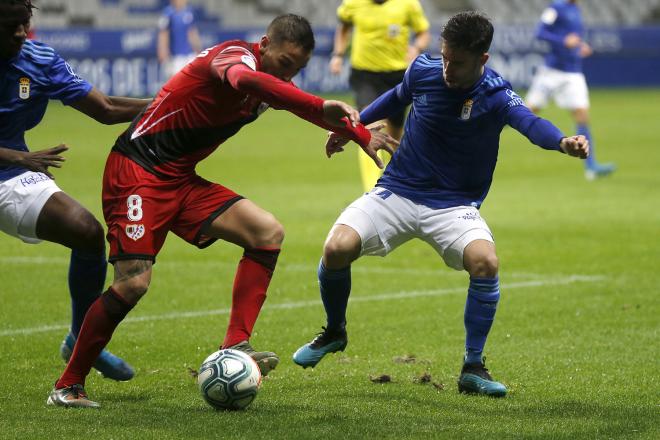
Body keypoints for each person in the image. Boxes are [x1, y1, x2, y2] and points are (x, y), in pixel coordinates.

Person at [47, 14, 398, 409]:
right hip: (137, 171)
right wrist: (319, 102)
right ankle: (68, 385)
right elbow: (250, 83)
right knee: (133, 284)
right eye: (285, 64)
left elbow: (303, 108)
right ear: (264, 44)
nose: (288, 75)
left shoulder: (272, 83)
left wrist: (361, 133)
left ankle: (236, 344)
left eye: (297, 70)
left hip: (178, 177)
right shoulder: (233, 56)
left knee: (266, 232)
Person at [293, 11, 590, 398]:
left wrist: (563, 141)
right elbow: (397, 96)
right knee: (336, 247)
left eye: (458, 62)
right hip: (398, 190)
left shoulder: (497, 94)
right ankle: (334, 332)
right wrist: (353, 128)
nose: (448, 68)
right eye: (445, 57)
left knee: (486, 262)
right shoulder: (424, 70)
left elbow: (531, 124)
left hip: (452, 205)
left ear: (482, 60)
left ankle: (473, 366)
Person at [0, 0, 151, 381]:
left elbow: (105, 107)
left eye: (25, 23)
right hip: (17, 162)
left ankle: (83, 339)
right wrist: (19, 157)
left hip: (9, 174)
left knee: (86, 231)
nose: (20, 32)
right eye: (10, 25)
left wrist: (173, 104)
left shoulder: (38, 60)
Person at [330, 0, 430, 191]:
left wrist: (416, 48)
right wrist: (338, 54)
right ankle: (372, 190)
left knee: (395, 134)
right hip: (364, 74)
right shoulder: (353, 3)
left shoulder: (408, 4)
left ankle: (400, 184)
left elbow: (423, 33)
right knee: (367, 126)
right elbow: (343, 26)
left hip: (397, 76)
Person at [526, 0, 614, 180]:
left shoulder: (576, 9)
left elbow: (572, 38)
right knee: (524, 112)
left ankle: (591, 167)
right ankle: (479, 128)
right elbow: (540, 33)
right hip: (552, 72)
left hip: (573, 72)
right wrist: (563, 41)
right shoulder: (556, 7)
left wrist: (580, 46)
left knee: (582, 115)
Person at [157, 0, 202, 79]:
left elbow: (192, 32)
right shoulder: (167, 14)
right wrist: (162, 49)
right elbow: (163, 33)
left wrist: (198, 48)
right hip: (175, 56)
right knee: (175, 81)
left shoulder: (189, 12)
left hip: (189, 54)